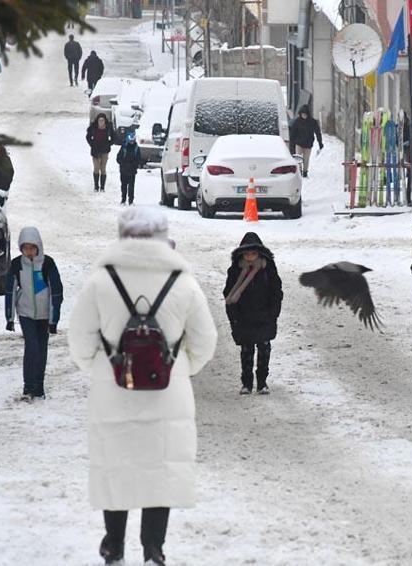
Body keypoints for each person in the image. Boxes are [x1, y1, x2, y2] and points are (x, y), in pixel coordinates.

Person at [68, 208, 217, 566]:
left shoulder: (101, 281)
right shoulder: (183, 283)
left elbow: (79, 340)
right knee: (160, 470)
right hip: (168, 394)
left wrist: (105, 369)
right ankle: (153, 549)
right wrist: (177, 369)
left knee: (115, 468)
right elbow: (206, 340)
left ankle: (114, 547)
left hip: (113, 392)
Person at [4, 227, 64, 400]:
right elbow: (10, 291)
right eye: (25, 248)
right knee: (32, 347)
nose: (29, 251)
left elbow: (56, 292)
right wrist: (10, 317)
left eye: (32, 247)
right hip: (26, 313)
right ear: (21, 248)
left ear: (38, 246)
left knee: (41, 349)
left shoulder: (47, 264)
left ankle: (39, 386)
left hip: (44, 315)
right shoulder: (17, 265)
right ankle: (28, 385)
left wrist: (53, 320)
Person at [223, 232, 283, 395]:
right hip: (244, 317)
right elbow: (228, 293)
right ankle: (247, 383)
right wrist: (234, 316)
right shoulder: (235, 270)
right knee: (246, 351)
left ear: (259, 253)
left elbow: (276, 292)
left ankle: (262, 382)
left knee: (264, 349)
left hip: (264, 316)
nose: (250, 257)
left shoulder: (267, 269)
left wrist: (273, 313)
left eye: (253, 253)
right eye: (247, 253)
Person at [288, 105, 323, 178]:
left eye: (305, 114)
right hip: (299, 144)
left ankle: (305, 172)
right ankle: (299, 171)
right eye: (302, 114)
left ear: (308, 114)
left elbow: (317, 132)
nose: (304, 116)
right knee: (298, 158)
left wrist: (320, 143)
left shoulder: (312, 122)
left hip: (308, 144)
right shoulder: (297, 122)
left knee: (306, 159)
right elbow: (293, 133)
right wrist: (292, 144)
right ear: (300, 114)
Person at [87, 113, 115, 192]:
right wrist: (92, 144)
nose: (101, 122)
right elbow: (88, 137)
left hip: (104, 150)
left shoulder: (108, 128)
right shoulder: (93, 127)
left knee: (103, 168)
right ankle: (96, 186)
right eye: (100, 120)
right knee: (96, 168)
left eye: (102, 120)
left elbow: (114, 137)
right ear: (97, 121)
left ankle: (102, 187)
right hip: (95, 150)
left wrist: (109, 143)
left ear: (105, 121)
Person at [116, 130, 143, 205]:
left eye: (133, 139)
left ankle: (131, 200)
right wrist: (123, 164)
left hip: (132, 171)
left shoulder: (136, 148)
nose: (131, 141)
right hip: (123, 170)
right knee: (123, 185)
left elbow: (138, 159)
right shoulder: (123, 147)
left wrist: (134, 165)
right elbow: (118, 158)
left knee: (131, 186)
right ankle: (123, 199)